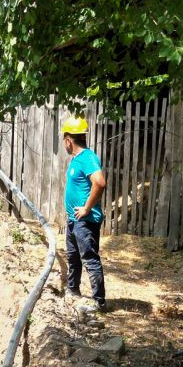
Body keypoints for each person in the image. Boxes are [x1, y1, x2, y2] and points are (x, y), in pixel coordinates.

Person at [61, 117, 107, 312]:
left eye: (64, 139)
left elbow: (100, 182)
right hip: (74, 220)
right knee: (73, 257)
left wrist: (87, 208)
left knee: (89, 258)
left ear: (69, 140)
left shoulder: (88, 158)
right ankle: (73, 290)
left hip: (85, 221)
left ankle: (99, 301)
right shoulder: (77, 160)